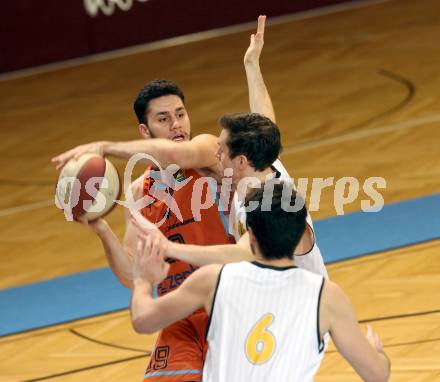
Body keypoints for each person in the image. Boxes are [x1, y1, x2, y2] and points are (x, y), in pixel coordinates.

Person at [52, 15, 278, 382]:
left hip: (231, 303)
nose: (177, 124)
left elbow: (177, 156)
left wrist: (105, 147)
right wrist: (101, 229)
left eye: (180, 114)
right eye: (163, 119)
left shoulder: (207, 153)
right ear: (145, 130)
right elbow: (132, 274)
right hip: (180, 317)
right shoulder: (141, 192)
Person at [130, 183, 390, 382]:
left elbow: (143, 320)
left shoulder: (214, 279)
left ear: (250, 236)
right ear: (300, 234)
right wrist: (377, 353)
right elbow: (377, 375)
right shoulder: (327, 296)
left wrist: (144, 279)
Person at [132, 112, 328, 278]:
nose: (216, 154)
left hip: (307, 311)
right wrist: (252, 67)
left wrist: (169, 248)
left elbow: (241, 252)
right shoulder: (264, 162)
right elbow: (264, 116)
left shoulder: (271, 205)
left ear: (241, 161)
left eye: (222, 150)